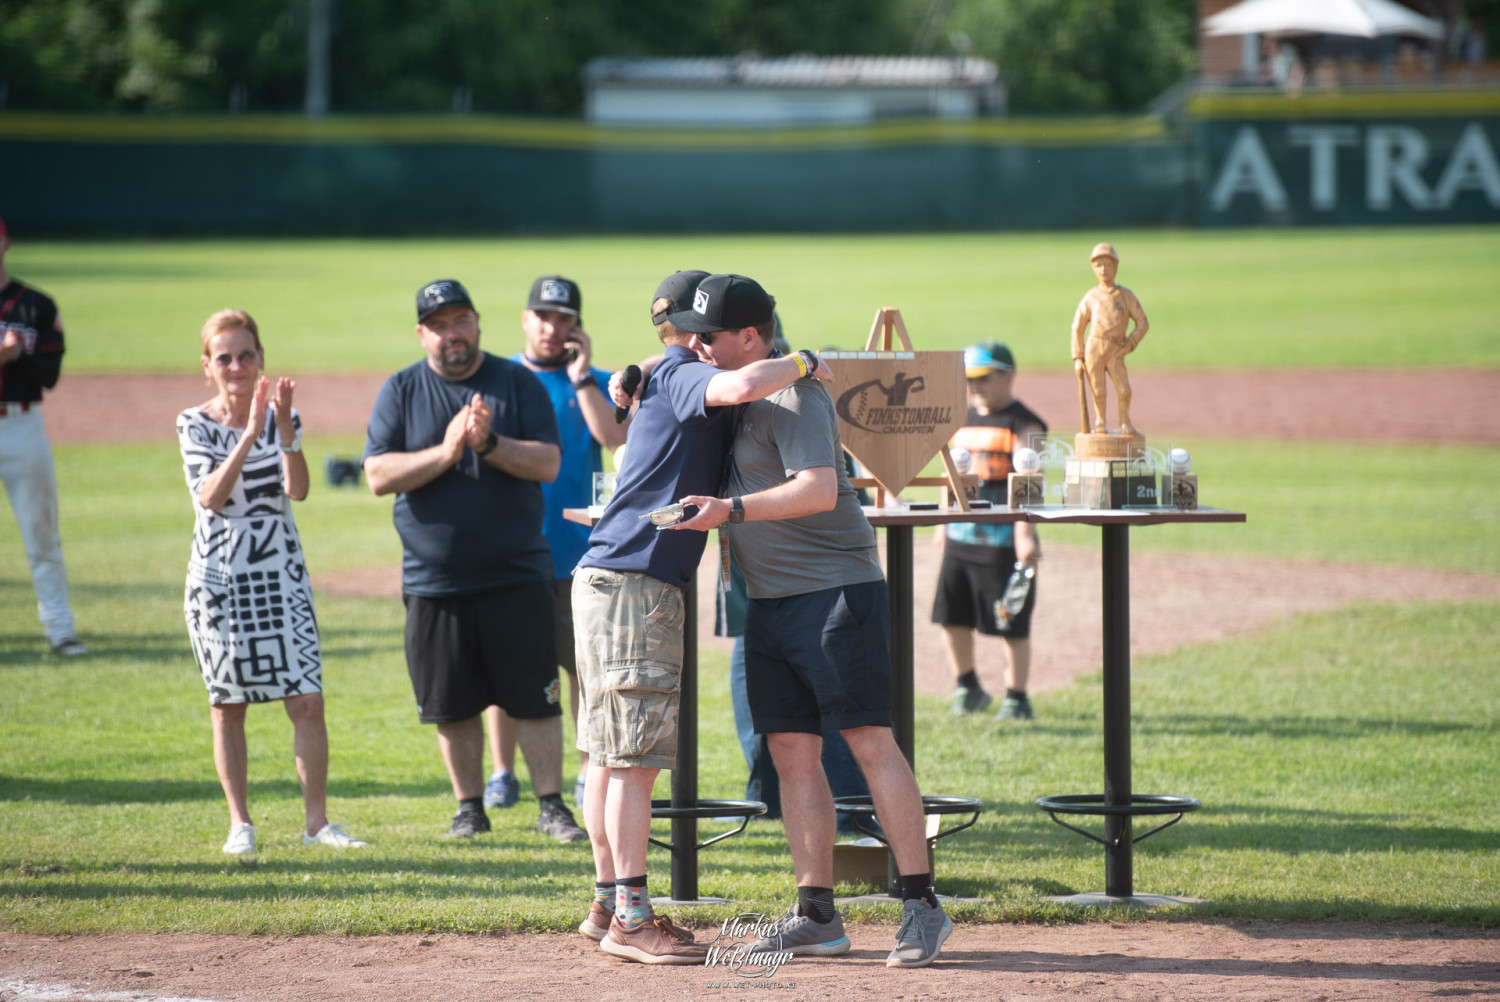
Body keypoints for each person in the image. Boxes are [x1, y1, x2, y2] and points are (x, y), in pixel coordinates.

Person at [675, 274, 952, 969]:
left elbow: (819, 489)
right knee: (791, 756)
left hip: (835, 595)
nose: (695, 344)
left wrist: (731, 512)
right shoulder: (734, 391)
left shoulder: (797, 393)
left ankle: (922, 904)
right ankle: (817, 915)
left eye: (708, 334)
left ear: (750, 335)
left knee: (867, 742)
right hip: (768, 603)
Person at [574, 271, 833, 964]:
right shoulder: (690, 371)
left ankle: (607, 905)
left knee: (607, 755)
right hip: (637, 585)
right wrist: (806, 361)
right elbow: (738, 387)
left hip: (608, 577)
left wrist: (641, 366)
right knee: (631, 762)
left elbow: (673, 374)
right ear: (699, 336)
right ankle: (631, 918)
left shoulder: (664, 370)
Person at [363, 279, 585, 844]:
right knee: (450, 702)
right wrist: (447, 449)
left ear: (479, 322)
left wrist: (488, 445)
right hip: (436, 580)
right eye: (438, 325)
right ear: (422, 334)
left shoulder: (515, 383)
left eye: (460, 321)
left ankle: (552, 806)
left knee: (536, 696)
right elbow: (378, 474)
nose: (451, 334)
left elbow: (548, 463)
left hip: (517, 572)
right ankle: (469, 807)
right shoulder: (402, 390)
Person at [178, 309, 366, 855]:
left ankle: (316, 825)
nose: (237, 366)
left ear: (261, 359)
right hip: (219, 580)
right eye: (225, 357)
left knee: (307, 699)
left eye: (247, 355)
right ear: (207, 366)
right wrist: (250, 432)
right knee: (226, 704)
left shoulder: (285, 415)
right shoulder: (194, 423)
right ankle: (241, 825)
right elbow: (210, 496)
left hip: (280, 575)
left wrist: (282, 430)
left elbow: (299, 489)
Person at [483, 275, 627, 814]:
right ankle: (502, 772)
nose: (552, 328)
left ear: (577, 327)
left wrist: (584, 375)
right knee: (508, 672)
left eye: (564, 319)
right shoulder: (501, 380)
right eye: (543, 317)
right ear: (525, 319)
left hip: (577, 554)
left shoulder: (595, 382)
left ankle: (588, 772)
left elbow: (613, 439)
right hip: (513, 550)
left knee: (585, 674)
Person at [933, 340, 1047, 721]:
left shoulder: (1025, 423)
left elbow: (1030, 480)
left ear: (1008, 376)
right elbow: (950, 475)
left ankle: (1016, 697)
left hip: (1002, 541)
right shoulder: (959, 419)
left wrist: (1024, 533)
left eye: (984, 378)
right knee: (952, 615)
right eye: (970, 379)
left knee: (1010, 619)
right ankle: (967, 687)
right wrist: (943, 522)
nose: (975, 386)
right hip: (961, 538)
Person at [0, 216, 85, 657]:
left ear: (6, 242)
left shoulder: (37, 305)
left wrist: (16, 358)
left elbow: (48, 377)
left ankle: (60, 629)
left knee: (42, 532)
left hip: (21, 425)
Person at [1071, 242, 1148, 436]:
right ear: (1094, 269)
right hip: (1094, 347)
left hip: (1117, 348)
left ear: (1115, 267)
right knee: (1098, 390)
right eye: (1099, 265)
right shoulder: (1091, 296)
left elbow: (1143, 322)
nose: (1103, 269)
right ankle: (1100, 424)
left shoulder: (1125, 295)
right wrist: (1078, 357)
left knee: (1124, 390)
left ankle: (1124, 423)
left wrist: (1131, 343)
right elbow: (1077, 327)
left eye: (1107, 265)